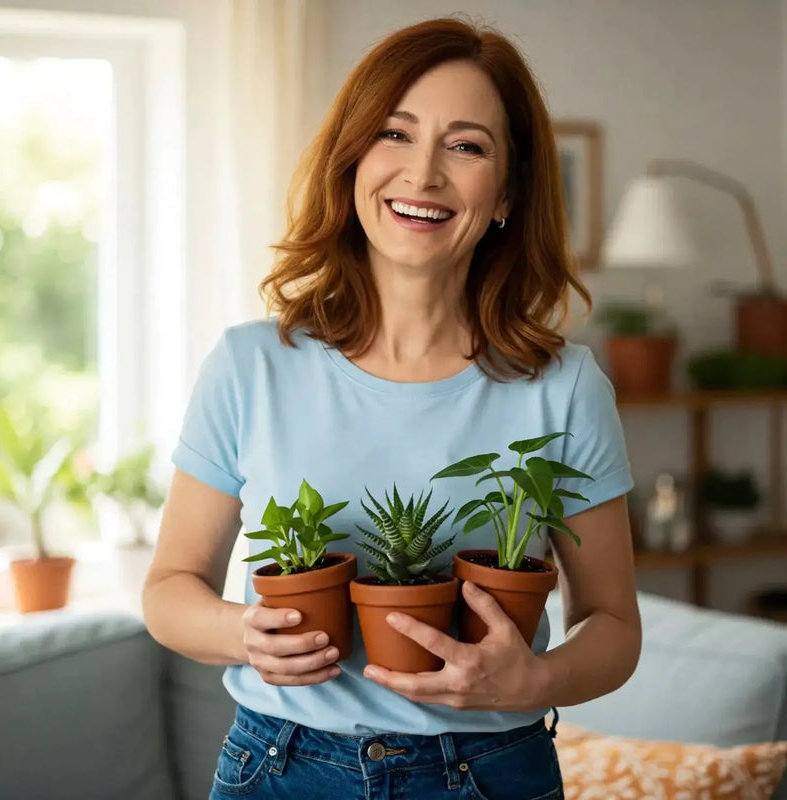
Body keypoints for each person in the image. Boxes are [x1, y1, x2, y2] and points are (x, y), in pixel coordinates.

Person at [143, 16, 642, 800]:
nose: (424, 173)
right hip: (280, 768)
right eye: (394, 134)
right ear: (352, 161)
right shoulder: (250, 365)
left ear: (508, 191)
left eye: (466, 145)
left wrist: (529, 678)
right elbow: (170, 587)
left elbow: (614, 628)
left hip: (490, 773)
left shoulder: (565, 386)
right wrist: (242, 634)